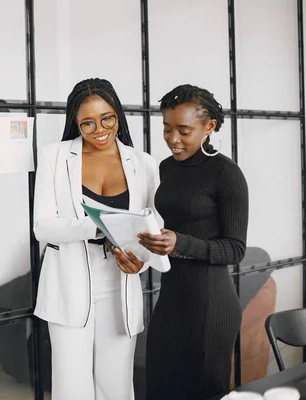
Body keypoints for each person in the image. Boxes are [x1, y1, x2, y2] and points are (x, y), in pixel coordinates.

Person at [33, 78, 170, 400]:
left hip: (120, 279)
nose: (99, 129)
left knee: (117, 384)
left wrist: (140, 261)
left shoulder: (143, 163)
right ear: (75, 123)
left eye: (107, 118)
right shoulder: (54, 156)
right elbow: (43, 226)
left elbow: (154, 225)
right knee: (71, 385)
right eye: (88, 123)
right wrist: (98, 226)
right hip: (68, 280)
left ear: (118, 116)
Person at [141, 84, 249, 399]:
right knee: (159, 391)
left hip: (210, 307)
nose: (173, 139)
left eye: (184, 131)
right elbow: (169, 228)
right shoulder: (166, 169)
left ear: (209, 127)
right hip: (171, 300)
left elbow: (235, 249)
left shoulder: (226, 174)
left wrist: (181, 244)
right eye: (167, 129)